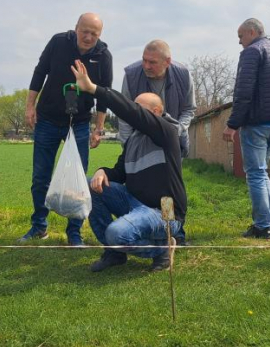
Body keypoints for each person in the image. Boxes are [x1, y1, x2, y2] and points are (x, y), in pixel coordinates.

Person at [69, 59, 186, 272]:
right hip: (134, 203)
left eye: (138, 109)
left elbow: (130, 112)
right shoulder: (133, 140)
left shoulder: (168, 132)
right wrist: (102, 171)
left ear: (157, 112)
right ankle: (114, 253)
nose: (133, 114)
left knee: (117, 233)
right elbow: (118, 173)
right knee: (90, 185)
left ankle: (162, 249)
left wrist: (94, 89)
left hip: (165, 211)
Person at [21, 13, 113, 245]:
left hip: (80, 123)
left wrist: (99, 128)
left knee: (78, 179)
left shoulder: (103, 56)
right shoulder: (58, 42)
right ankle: (39, 226)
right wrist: (30, 106)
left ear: (100, 35)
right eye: (85, 31)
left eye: (94, 33)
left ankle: (74, 232)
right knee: (40, 176)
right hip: (48, 120)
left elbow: (104, 94)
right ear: (76, 28)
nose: (89, 37)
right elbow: (39, 72)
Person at [223, 18, 270, 239]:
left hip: (257, 122)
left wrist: (232, 124)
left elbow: (244, 91)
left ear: (251, 33)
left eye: (240, 36)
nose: (239, 42)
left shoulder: (252, 52)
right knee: (262, 172)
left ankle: (262, 226)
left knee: (255, 174)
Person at [118, 39, 196, 157]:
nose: (146, 66)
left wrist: (177, 131)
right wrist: (128, 145)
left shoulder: (184, 76)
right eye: (144, 60)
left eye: (152, 62)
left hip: (172, 142)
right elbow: (124, 112)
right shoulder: (131, 76)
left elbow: (188, 110)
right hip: (140, 142)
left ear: (167, 61)